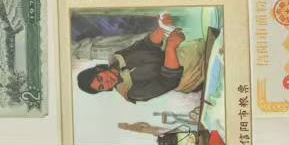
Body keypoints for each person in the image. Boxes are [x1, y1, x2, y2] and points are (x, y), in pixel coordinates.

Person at [77, 14, 220, 103]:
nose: (106, 82)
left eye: (100, 78)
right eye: (102, 87)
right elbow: (168, 81)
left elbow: (146, 44)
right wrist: (170, 48)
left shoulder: (118, 58)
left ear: (98, 69)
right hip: (197, 74)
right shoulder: (131, 92)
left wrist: (162, 28)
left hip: (194, 50)